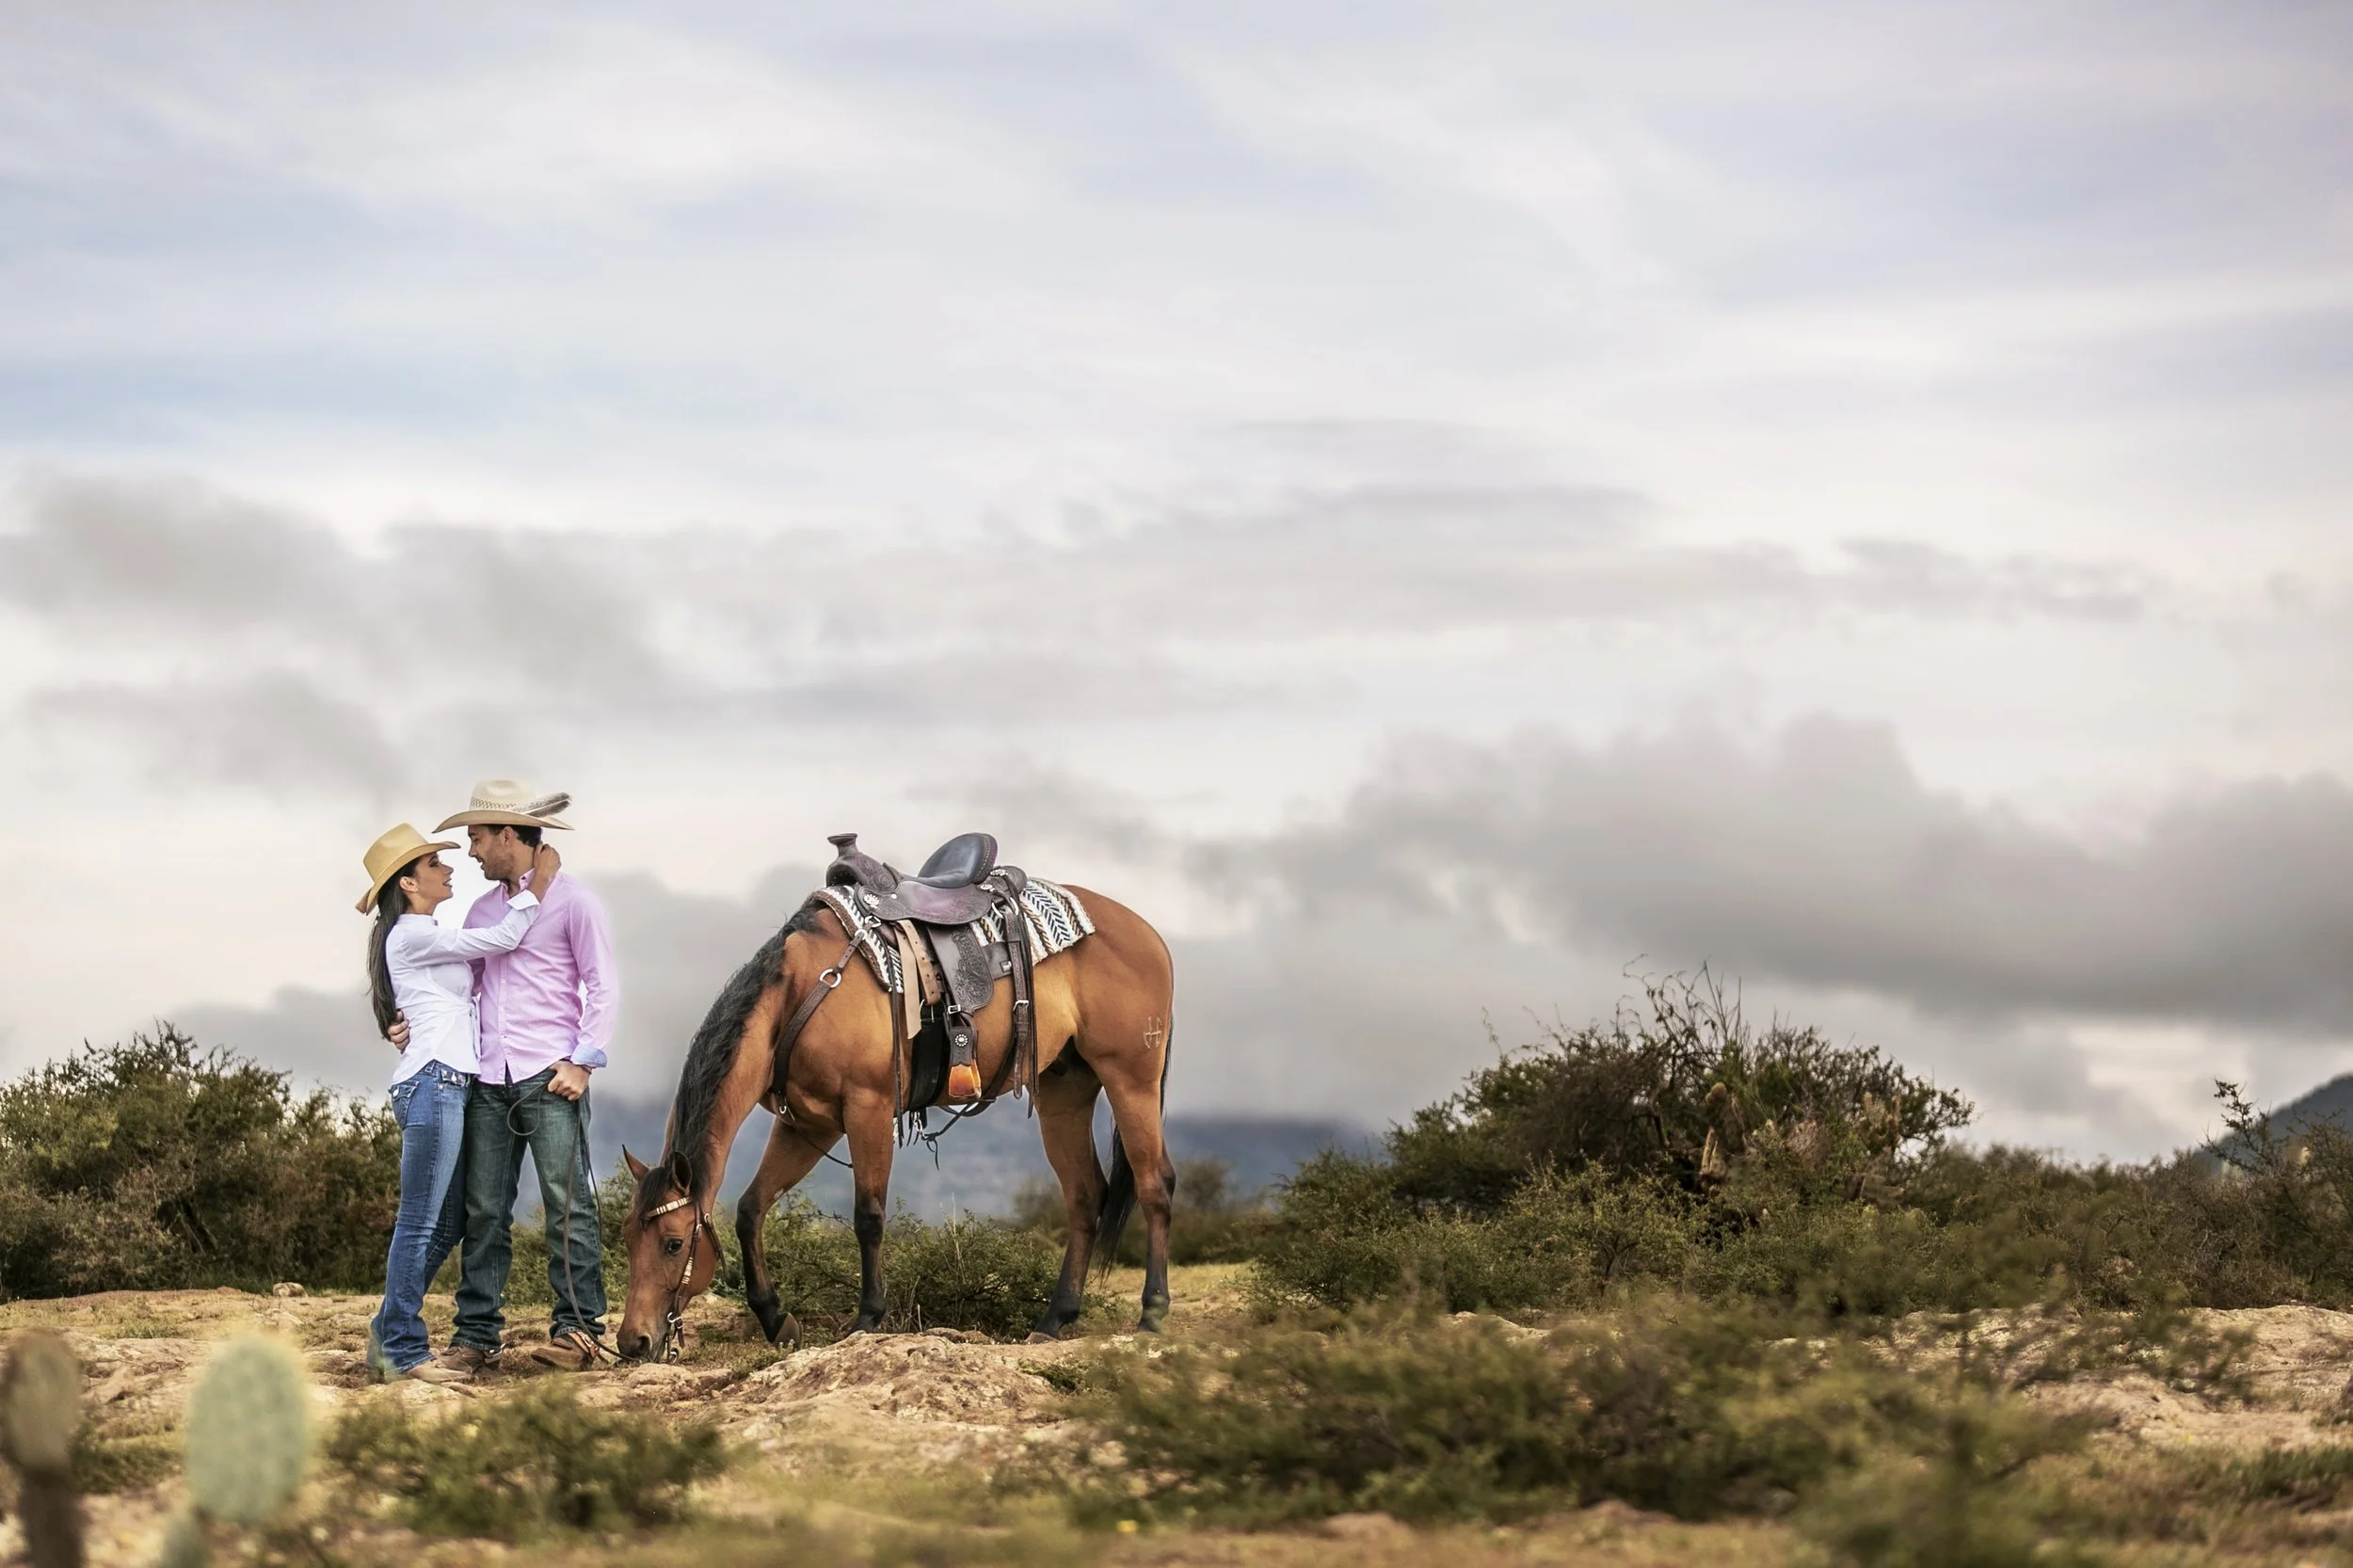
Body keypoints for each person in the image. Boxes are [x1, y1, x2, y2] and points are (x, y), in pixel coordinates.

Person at [405, 778, 618, 1373]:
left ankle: (578, 1332)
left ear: (507, 836)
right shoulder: (482, 910)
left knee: (568, 1206)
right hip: (488, 1078)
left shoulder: (575, 902)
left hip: (549, 1076)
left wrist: (583, 1061)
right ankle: (476, 1336)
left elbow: (602, 986)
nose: (471, 851)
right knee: (484, 1211)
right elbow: (465, 986)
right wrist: (412, 1022)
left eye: (477, 837)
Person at [355, 822, 561, 1384]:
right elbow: (502, 939)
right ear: (408, 885)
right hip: (433, 1083)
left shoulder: (424, 935)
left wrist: (404, 1024)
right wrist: (539, 884)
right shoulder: (410, 935)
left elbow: (460, 995)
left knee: (448, 1222)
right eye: (433, 865)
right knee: (420, 1222)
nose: (449, 869)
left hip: (451, 1084)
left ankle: (387, 1333)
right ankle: (403, 1350)